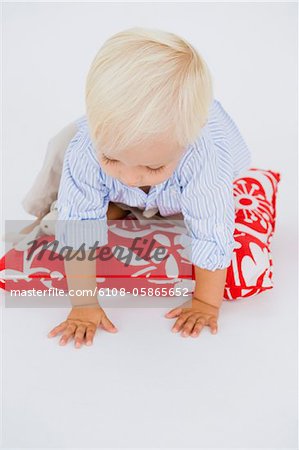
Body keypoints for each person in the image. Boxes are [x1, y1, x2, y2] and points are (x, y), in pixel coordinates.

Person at [22, 27, 251, 347]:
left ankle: (121, 205)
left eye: (153, 165)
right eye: (112, 158)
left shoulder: (203, 156)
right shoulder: (88, 146)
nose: (129, 177)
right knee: (60, 150)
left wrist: (206, 302)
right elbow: (78, 231)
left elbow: (211, 229)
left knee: (184, 216)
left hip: (177, 195)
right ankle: (49, 211)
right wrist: (84, 305)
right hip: (107, 161)